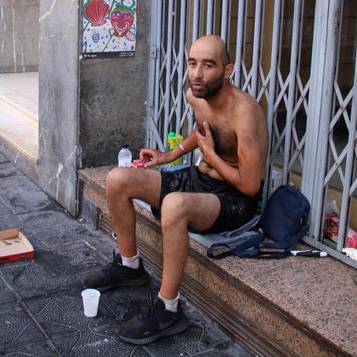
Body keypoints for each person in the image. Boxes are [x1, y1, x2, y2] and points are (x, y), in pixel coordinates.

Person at [83, 35, 269, 345]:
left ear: (228, 70)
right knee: (118, 178)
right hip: (201, 181)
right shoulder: (196, 95)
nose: (197, 73)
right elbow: (203, 133)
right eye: (192, 63)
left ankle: (169, 309)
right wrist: (170, 155)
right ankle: (130, 267)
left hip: (234, 201)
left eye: (208, 65)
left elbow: (250, 186)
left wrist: (210, 158)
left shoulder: (245, 113)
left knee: (174, 205)